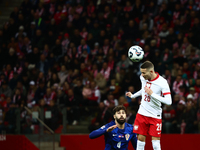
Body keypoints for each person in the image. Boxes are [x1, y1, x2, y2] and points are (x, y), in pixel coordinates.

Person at [126, 61, 172, 150]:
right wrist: (133, 95)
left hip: (155, 115)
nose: (142, 75)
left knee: (155, 144)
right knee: (140, 140)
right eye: (141, 72)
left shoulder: (162, 82)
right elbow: (144, 90)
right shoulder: (143, 78)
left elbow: (169, 101)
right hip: (142, 113)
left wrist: (152, 94)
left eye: (144, 73)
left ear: (151, 72)